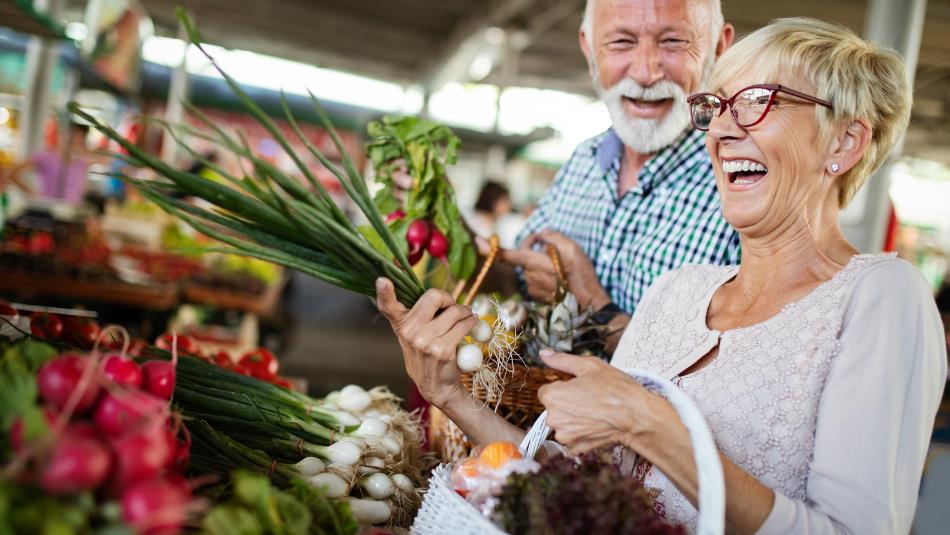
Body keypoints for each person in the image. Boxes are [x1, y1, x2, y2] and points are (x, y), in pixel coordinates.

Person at [377, 17, 947, 533]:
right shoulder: (676, 292)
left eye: (754, 102)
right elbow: (576, 492)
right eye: (716, 107)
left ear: (845, 140)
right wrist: (452, 396)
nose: (720, 131)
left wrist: (648, 422)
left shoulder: (880, 297)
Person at [485, 0, 740, 350]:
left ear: (718, 47)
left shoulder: (740, 184)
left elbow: (724, 376)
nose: (646, 73)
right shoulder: (584, 159)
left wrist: (588, 297)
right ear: (589, 47)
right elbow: (515, 282)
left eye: (673, 42)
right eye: (621, 42)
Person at [4, 122, 91, 205]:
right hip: (48, 211)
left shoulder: (81, 162)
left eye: (80, 137)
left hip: (71, 214)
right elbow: (13, 174)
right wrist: (32, 195)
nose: (75, 140)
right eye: (73, 135)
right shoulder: (47, 156)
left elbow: (82, 189)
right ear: (63, 134)